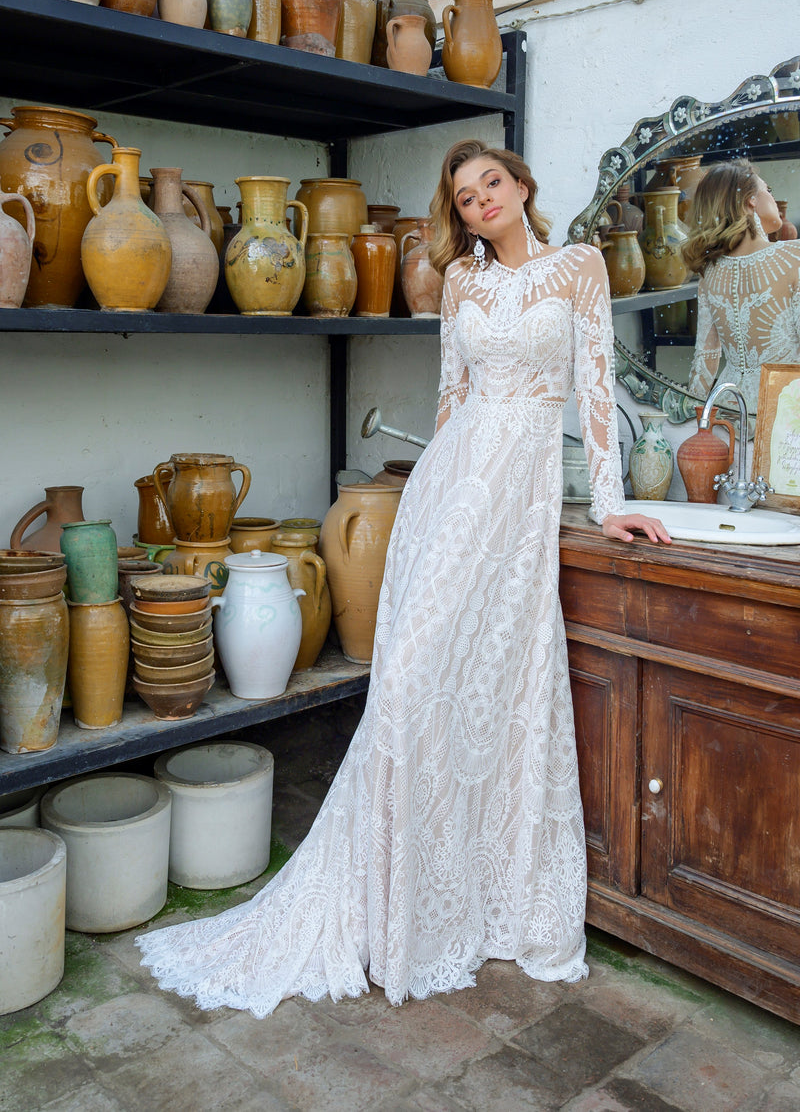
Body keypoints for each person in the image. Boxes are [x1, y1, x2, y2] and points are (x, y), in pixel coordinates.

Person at [136, 139, 669, 1018]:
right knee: (411, 684)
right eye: (463, 196)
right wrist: (426, 499)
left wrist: (609, 504)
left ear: (523, 184)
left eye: (490, 183)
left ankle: (478, 899)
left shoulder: (579, 268)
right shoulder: (459, 282)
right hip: (447, 498)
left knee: (496, 691)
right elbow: (451, 401)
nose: (480, 201)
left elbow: (598, 394)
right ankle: (395, 906)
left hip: (521, 503)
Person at [684, 159, 800, 412]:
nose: (772, 197)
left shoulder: (709, 273)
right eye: (767, 190)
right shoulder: (796, 256)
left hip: (731, 413)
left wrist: (695, 423)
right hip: (785, 417)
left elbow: (705, 361)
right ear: (751, 200)